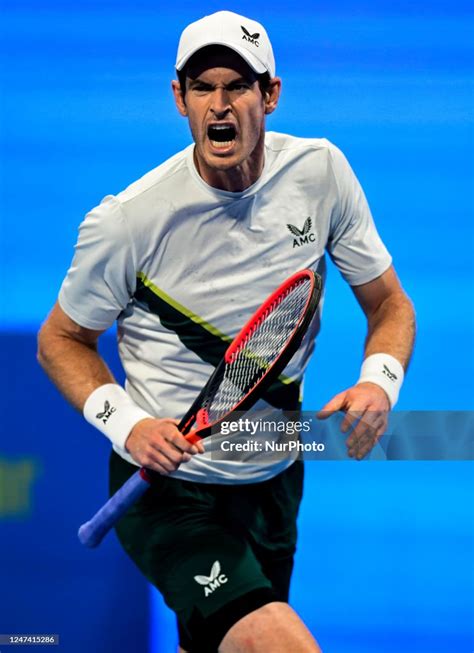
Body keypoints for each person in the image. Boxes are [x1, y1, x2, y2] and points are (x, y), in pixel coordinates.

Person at [37, 10, 415, 653]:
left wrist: (379, 382)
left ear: (270, 94)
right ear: (179, 98)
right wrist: (128, 425)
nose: (220, 103)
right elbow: (61, 340)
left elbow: (389, 305)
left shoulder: (321, 174)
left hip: (274, 478)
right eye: (203, 86)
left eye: (238, 85)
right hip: (170, 495)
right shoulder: (127, 221)